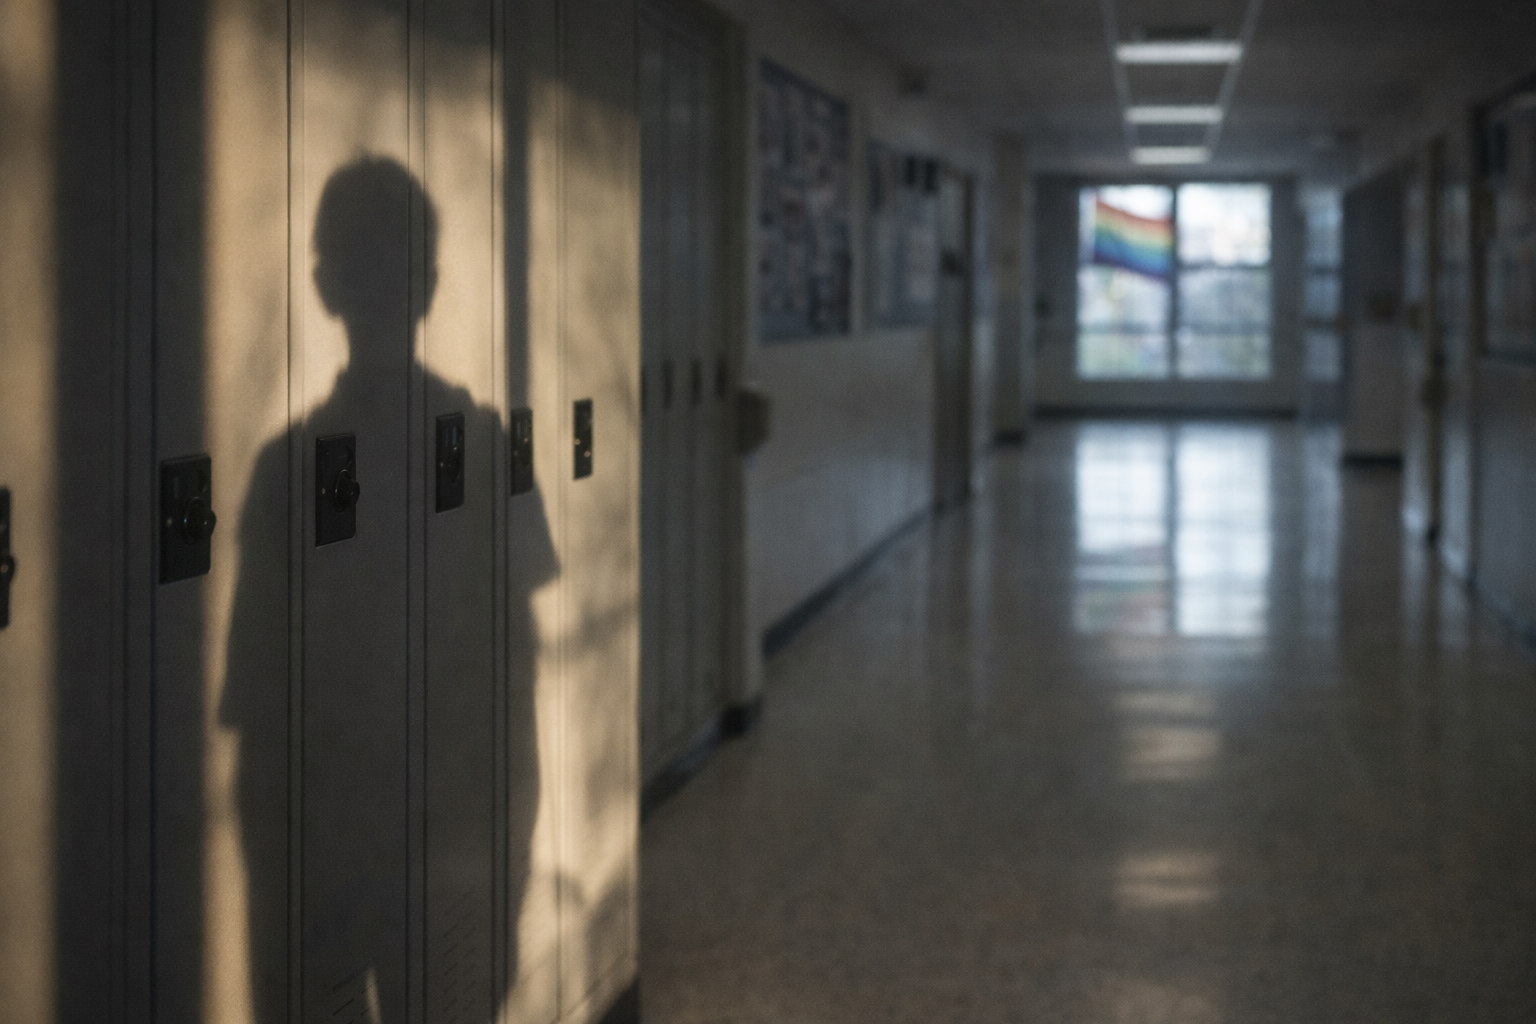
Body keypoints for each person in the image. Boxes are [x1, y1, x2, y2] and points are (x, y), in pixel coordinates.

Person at [222, 156, 553, 1024]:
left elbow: (258, 720)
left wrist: (272, 912)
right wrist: (511, 865)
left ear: (324, 287)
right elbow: (517, 679)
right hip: (455, 842)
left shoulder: (286, 470)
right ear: (430, 286)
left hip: (325, 857)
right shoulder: (490, 447)